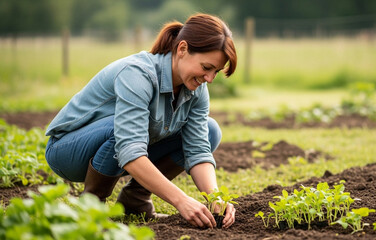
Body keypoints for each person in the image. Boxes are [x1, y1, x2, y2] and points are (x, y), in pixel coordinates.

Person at [45, 13, 237, 229]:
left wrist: (215, 199)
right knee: (119, 129)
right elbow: (129, 148)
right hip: (67, 150)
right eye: (206, 67)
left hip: (117, 148)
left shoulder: (196, 89)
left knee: (210, 130)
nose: (210, 79)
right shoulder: (138, 74)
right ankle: (91, 207)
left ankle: (135, 201)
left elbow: (198, 149)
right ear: (182, 49)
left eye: (216, 72)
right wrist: (181, 200)